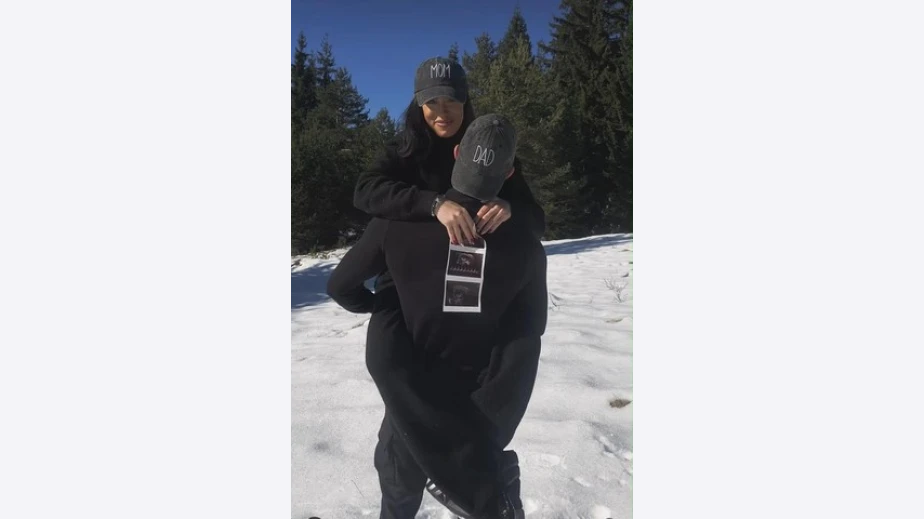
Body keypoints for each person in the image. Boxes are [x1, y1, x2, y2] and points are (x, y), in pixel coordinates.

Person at [328, 114, 547, 519]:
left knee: (399, 486)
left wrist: (383, 306)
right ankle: (484, 490)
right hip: (480, 390)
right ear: (509, 173)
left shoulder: (395, 225)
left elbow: (340, 286)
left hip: (413, 383)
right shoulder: (527, 245)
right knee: (471, 475)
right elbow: (529, 327)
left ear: (457, 153)